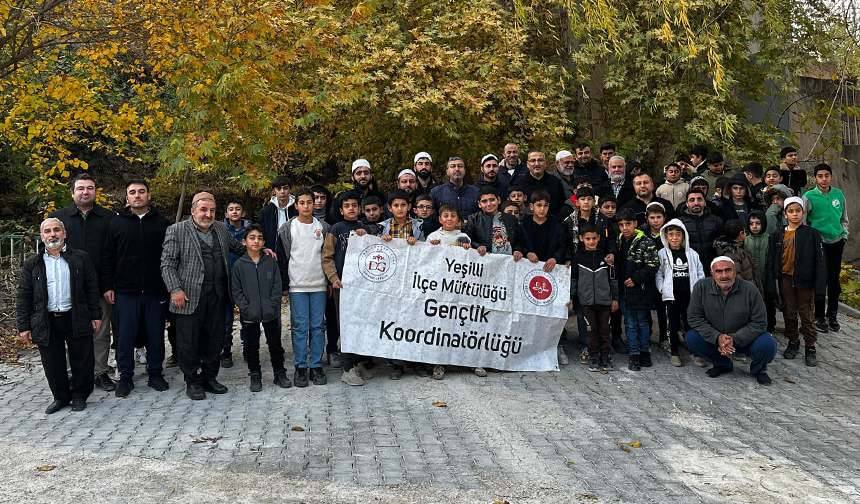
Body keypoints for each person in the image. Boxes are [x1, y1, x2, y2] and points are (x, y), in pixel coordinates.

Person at [161, 192, 255, 400]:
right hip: (187, 296)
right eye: (203, 210)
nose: (208, 214)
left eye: (212, 210)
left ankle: (210, 377)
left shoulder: (221, 229)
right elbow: (167, 263)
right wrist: (175, 289)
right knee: (188, 341)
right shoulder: (176, 230)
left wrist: (261, 251)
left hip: (218, 294)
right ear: (193, 210)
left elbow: (239, 249)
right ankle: (193, 380)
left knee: (215, 338)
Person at [17, 218, 102, 414]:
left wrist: (95, 314)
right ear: (42, 236)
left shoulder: (81, 258)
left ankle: (80, 395)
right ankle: (61, 397)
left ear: (64, 234)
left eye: (56, 230)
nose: (52, 234)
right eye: (48, 231)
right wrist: (24, 325)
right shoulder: (33, 264)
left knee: (82, 358)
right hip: (46, 320)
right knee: (52, 362)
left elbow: (91, 288)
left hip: (76, 315)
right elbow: (24, 295)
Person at [101, 179, 171, 397]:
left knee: (155, 334)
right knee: (124, 335)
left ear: (149, 195)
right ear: (127, 198)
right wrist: (108, 286)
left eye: (142, 191)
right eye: (133, 192)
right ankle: (126, 377)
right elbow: (108, 257)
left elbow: (169, 256)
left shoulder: (162, 223)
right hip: (125, 290)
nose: (137, 195)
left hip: (155, 290)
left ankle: (156, 373)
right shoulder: (116, 223)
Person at [49, 173, 116, 392]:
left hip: (99, 285)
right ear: (72, 192)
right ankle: (71, 374)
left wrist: (108, 285)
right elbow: (48, 254)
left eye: (90, 188)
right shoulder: (58, 219)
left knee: (101, 330)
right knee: (70, 331)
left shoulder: (109, 218)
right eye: (80, 188)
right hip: (67, 287)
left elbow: (112, 254)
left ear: (96, 191)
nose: (85, 192)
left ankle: (100, 372)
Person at [686, 257, 777, 384]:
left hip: (745, 339)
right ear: (712, 273)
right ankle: (722, 364)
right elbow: (694, 318)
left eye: (728, 270)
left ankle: (758, 370)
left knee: (768, 343)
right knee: (692, 337)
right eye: (719, 271)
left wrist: (734, 338)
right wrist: (717, 337)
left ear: (735, 272)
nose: (724, 275)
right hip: (715, 339)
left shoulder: (750, 290)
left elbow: (759, 322)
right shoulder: (701, 287)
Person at [275, 188, 331, 387]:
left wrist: (330, 281)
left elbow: (328, 257)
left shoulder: (324, 228)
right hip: (297, 285)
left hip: (319, 285)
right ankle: (300, 367)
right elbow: (281, 259)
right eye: (303, 202)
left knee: (317, 327)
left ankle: (316, 366)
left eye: (310, 202)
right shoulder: (286, 229)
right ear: (295, 205)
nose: (307, 206)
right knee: (299, 327)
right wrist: (283, 284)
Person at [322, 192, 375, 386]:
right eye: (347, 206)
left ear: (359, 208)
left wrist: (366, 237)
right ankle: (347, 368)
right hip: (342, 286)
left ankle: (358, 362)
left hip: (362, 288)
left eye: (354, 205)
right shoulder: (336, 229)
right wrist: (333, 278)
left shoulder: (365, 228)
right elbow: (327, 257)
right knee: (346, 325)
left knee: (362, 324)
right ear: (341, 210)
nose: (351, 208)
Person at [765, 197, 826, 367]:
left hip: (805, 280)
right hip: (786, 278)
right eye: (791, 211)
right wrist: (771, 283)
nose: (794, 215)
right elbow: (771, 261)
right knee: (789, 312)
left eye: (797, 211)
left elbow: (820, 261)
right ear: (785, 214)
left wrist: (819, 285)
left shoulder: (812, 234)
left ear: (803, 213)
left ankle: (810, 345)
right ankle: (793, 341)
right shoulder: (777, 235)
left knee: (806, 313)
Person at [231, 224, 290, 392]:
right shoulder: (239, 265)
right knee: (251, 345)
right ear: (244, 242)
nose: (256, 241)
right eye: (252, 238)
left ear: (264, 241)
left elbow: (277, 285)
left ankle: (279, 373)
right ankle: (255, 375)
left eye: (259, 238)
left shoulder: (270, 262)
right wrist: (245, 307)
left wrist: (273, 304)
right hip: (250, 313)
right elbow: (236, 290)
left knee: (275, 343)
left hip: (270, 312)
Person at [803, 163, 849, 333]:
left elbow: (844, 218)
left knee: (834, 280)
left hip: (836, 241)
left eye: (826, 175)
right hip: (819, 242)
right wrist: (810, 241)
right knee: (820, 279)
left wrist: (844, 235)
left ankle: (832, 315)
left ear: (831, 177)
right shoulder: (809, 196)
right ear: (815, 178)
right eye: (820, 176)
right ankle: (819, 316)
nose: (823, 179)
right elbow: (804, 221)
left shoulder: (838, 194)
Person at [656, 220, 705, 367]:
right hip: (671, 296)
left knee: (691, 324)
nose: (675, 238)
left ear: (684, 236)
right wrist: (662, 288)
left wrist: (698, 290)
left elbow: (700, 272)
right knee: (672, 324)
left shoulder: (692, 254)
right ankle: (675, 352)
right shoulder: (662, 253)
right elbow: (658, 274)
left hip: (689, 295)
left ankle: (694, 351)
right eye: (671, 235)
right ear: (666, 236)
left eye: (678, 234)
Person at [570, 223, 618, 372]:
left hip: (604, 302)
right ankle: (593, 357)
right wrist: (572, 296)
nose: (591, 241)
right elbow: (574, 279)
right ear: (581, 239)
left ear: (599, 238)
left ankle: (606, 356)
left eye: (594, 238)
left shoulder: (606, 257)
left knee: (605, 330)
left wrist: (614, 298)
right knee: (590, 331)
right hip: (586, 302)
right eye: (588, 238)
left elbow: (613, 279)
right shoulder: (578, 257)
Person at [616, 208, 660, 370]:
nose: (625, 228)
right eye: (621, 225)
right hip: (624, 291)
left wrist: (636, 278)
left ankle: (644, 351)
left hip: (640, 290)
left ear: (635, 223)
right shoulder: (619, 241)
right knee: (629, 322)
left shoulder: (646, 241)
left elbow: (653, 264)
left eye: (628, 224)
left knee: (642, 322)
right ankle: (633, 353)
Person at [221, 198, 251, 368]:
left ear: (243, 213)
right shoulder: (219, 230)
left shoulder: (249, 231)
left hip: (244, 279)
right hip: (225, 279)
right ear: (226, 214)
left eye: (237, 209)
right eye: (231, 209)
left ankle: (248, 347)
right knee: (226, 318)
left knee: (247, 315)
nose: (234, 212)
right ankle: (226, 350)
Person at [464, 186, 520, 258]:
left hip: (509, 261)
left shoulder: (511, 219)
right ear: (479, 204)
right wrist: (478, 246)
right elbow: (466, 239)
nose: (489, 204)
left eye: (492, 200)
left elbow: (519, 240)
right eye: (484, 201)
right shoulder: (473, 219)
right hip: (486, 260)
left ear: (498, 200)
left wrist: (518, 250)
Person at [678, 188, 724, 273]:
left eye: (699, 199)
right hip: (690, 269)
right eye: (692, 200)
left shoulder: (716, 221)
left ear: (705, 202)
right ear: (687, 203)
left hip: (713, 269)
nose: (696, 203)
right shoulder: (680, 223)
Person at [745, 210, 776, 332]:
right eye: (751, 223)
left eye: (758, 223)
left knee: (768, 303)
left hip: (767, 277)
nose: (754, 226)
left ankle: (770, 326)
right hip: (751, 278)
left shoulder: (769, 239)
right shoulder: (746, 240)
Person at [713, 219, 763, 295]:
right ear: (741, 234)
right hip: (745, 293)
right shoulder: (732, 253)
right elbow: (736, 276)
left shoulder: (741, 248)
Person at [518, 150, 567, 217]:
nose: (537, 164)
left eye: (540, 160)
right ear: (527, 164)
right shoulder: (519, 184)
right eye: (533, 160)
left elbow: (562, 206)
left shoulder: (555, 182)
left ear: (545, 163)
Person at [258, 175, 298, 250]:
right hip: (272, 253)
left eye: (285, 188)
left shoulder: (298, 210)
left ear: (290, 189)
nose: (282, 191)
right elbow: (260, 233)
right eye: (279, 189)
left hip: (295, 252)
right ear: (274, 191)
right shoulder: (265, 212)